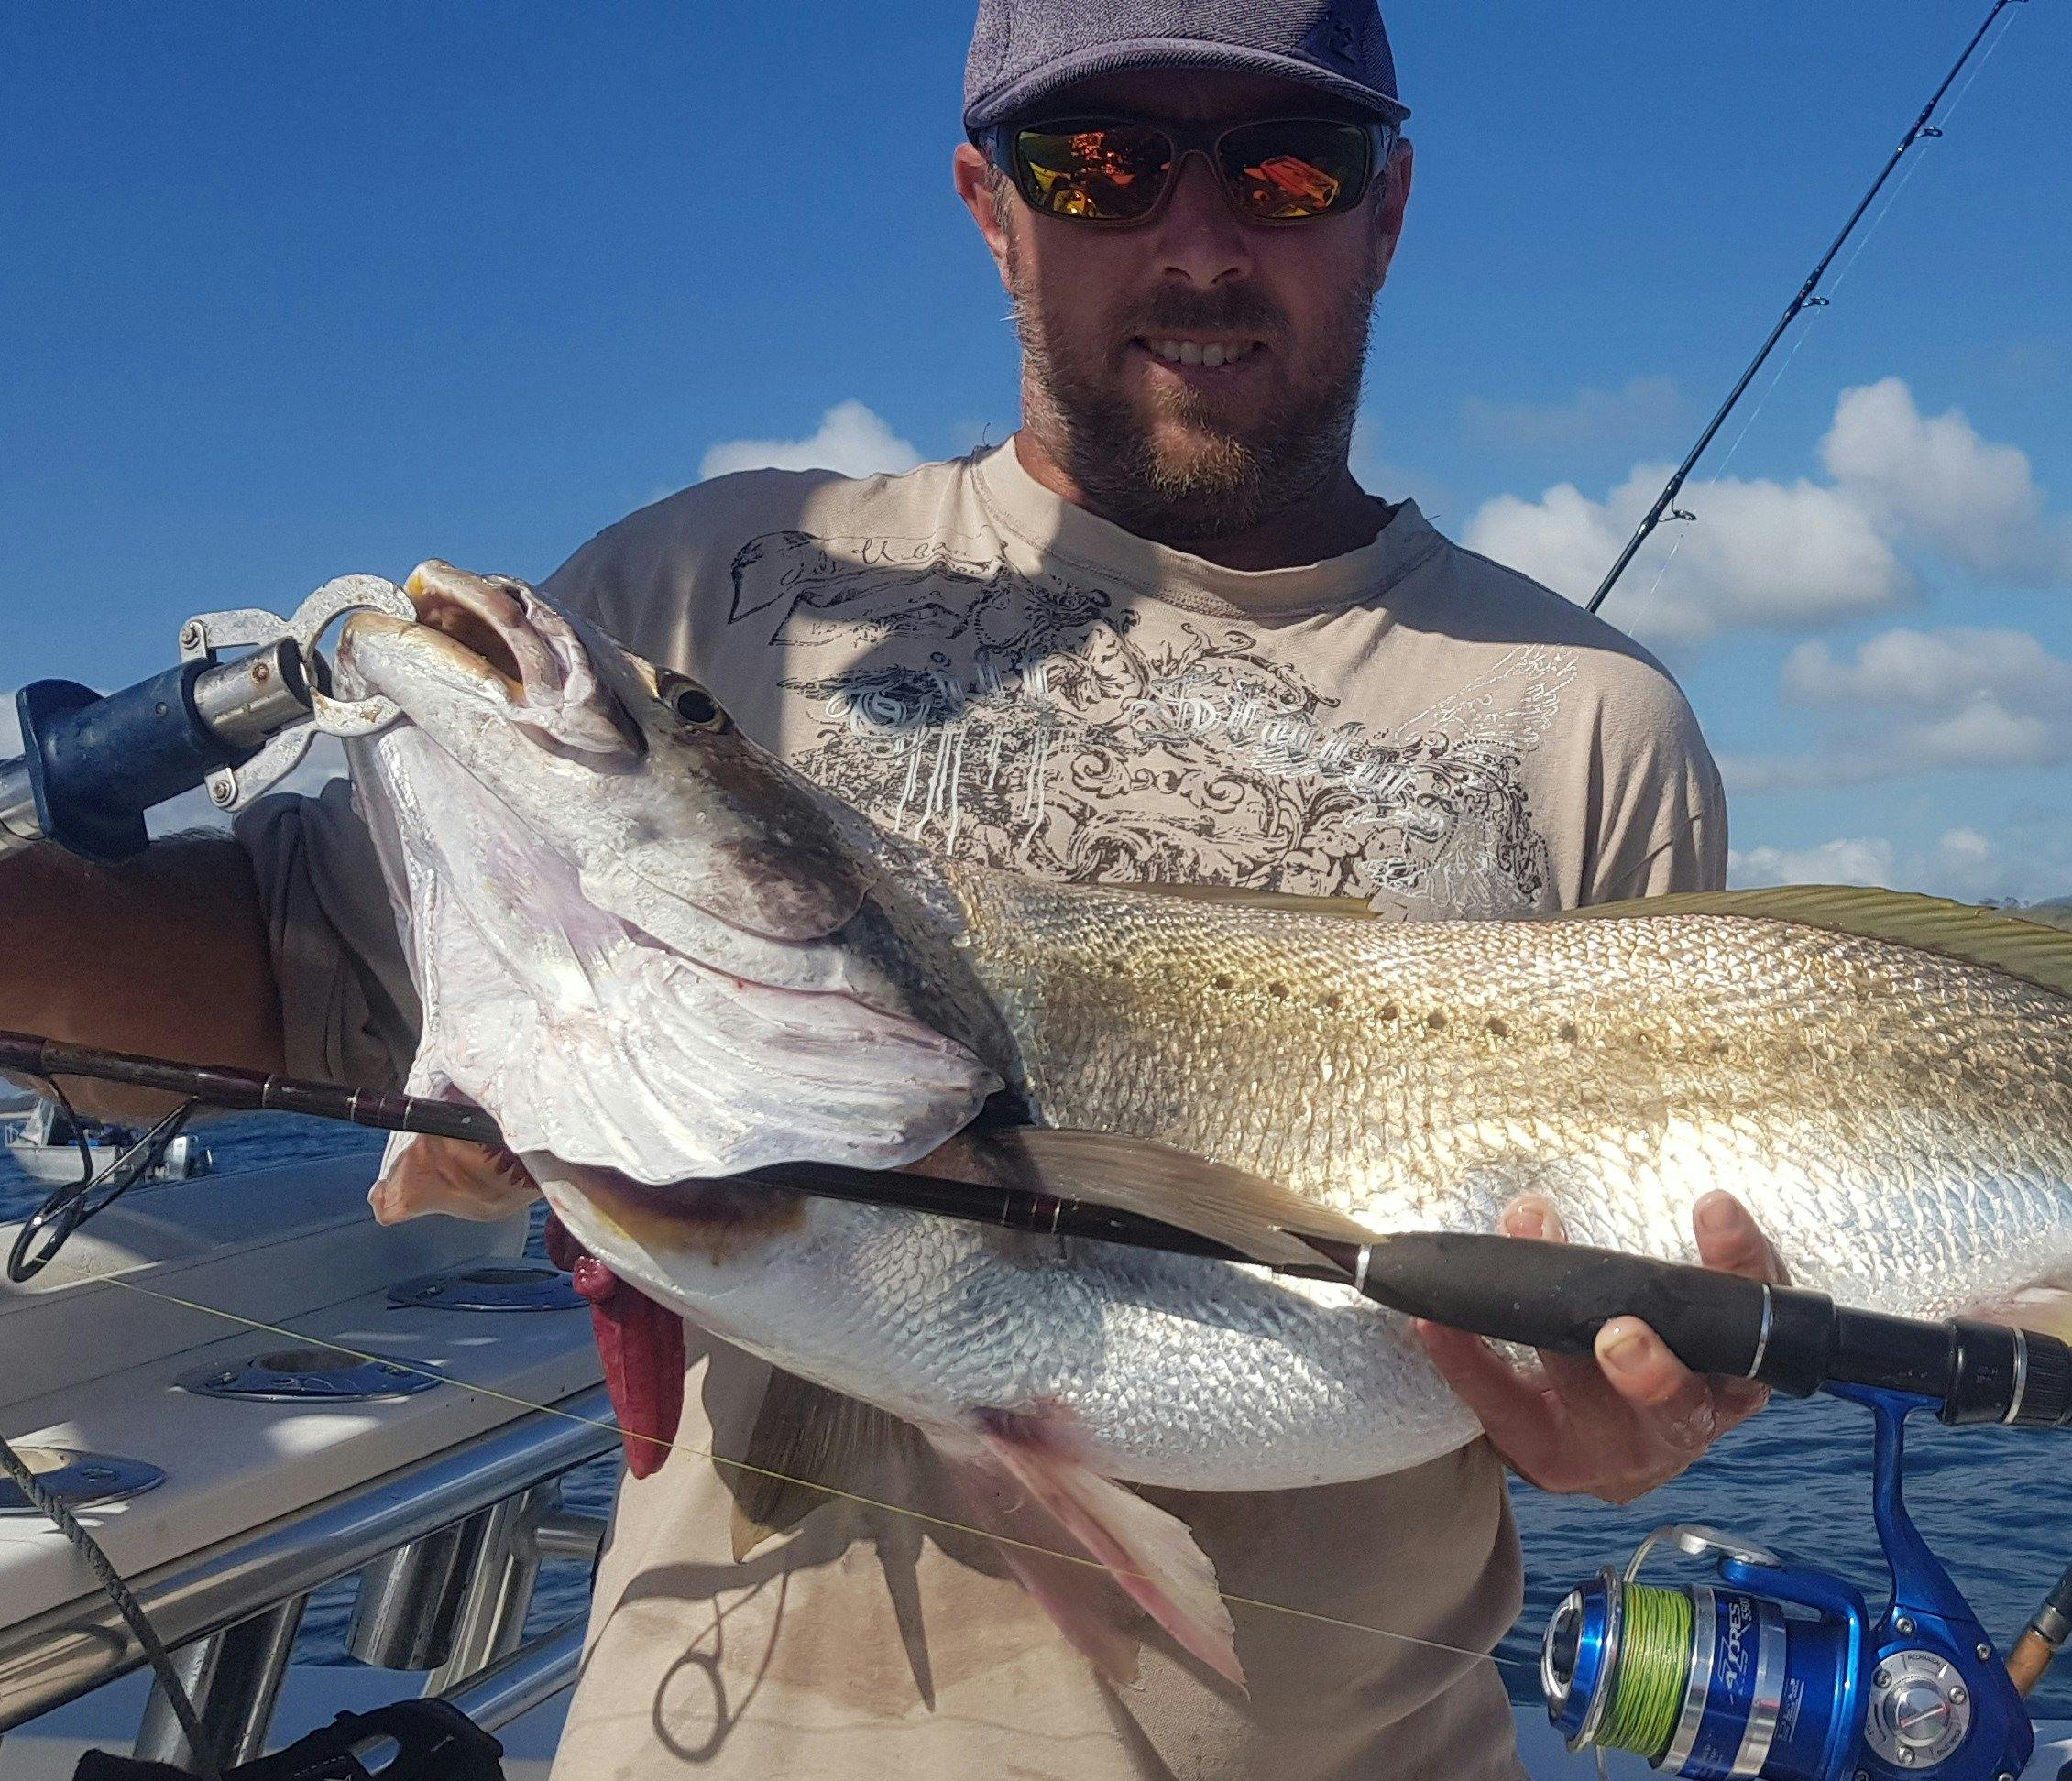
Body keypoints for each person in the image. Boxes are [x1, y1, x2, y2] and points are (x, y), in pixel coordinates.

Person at [0, 3, 1782, 1774]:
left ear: (1383, 206)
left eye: (1282, 165)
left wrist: (1629, 1425)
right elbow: (286, 968)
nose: (1196, 239)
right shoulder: (708, 589)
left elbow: (1630, 1315)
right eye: (1099, 168)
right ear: (986, 202)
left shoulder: (1584, 723)